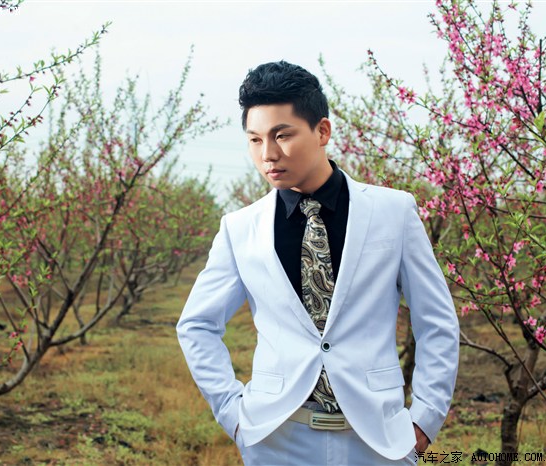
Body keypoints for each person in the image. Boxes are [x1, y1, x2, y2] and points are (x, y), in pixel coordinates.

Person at [176, 61, 459, 466]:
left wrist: (425, 419)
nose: (268, 154)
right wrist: (232, 414)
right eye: (255, 140)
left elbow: (436, 321)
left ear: (322, 131)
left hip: (380, 439)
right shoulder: (240, 228)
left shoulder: (393, 212)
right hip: (276, 438)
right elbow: (196, 325)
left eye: (282, 135)